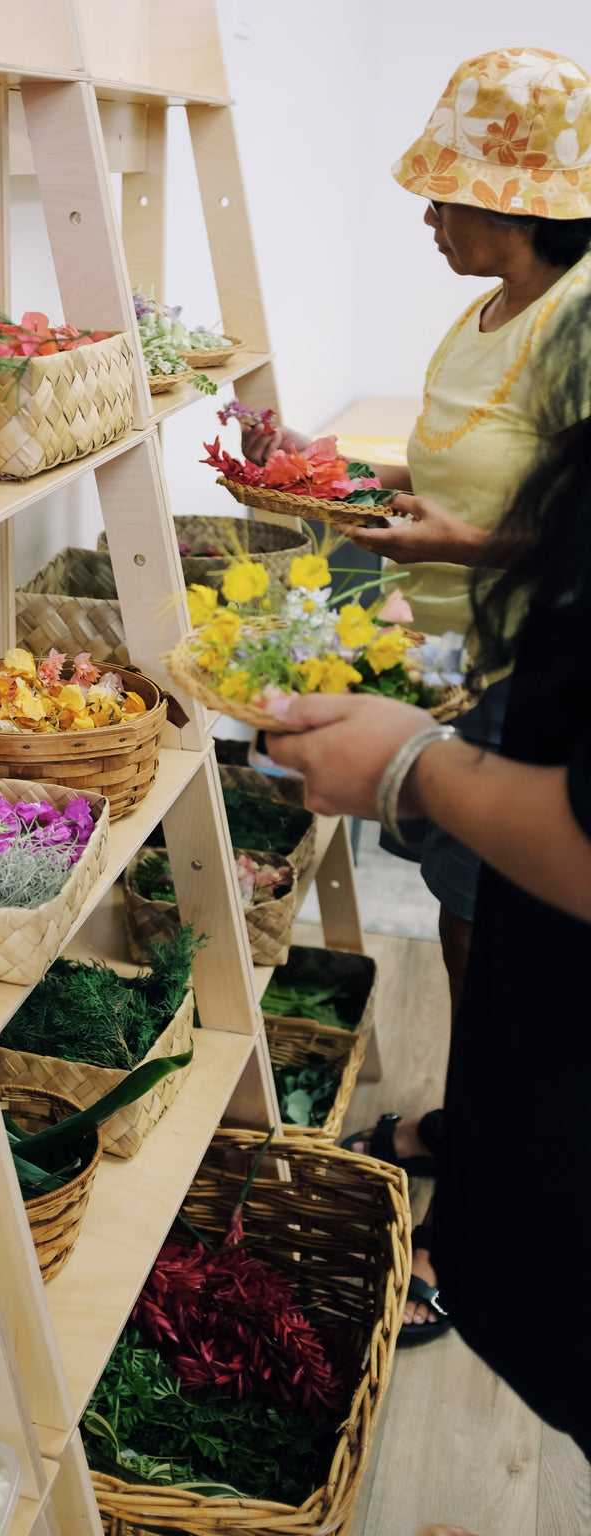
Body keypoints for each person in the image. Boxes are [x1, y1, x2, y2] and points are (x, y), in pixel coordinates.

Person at [243, 46, 591, 1340]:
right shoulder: (492, 307)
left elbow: (571, 534)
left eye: (447, 197)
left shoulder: (582, 325)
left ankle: (472, 1221)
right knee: (463, 925)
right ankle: (466, 1124)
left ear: (519, 202)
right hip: (454, 665)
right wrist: (360, 488)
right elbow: (474, 472)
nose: (428, 218)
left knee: (506, 950)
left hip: (526, 688)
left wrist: (464, 549)